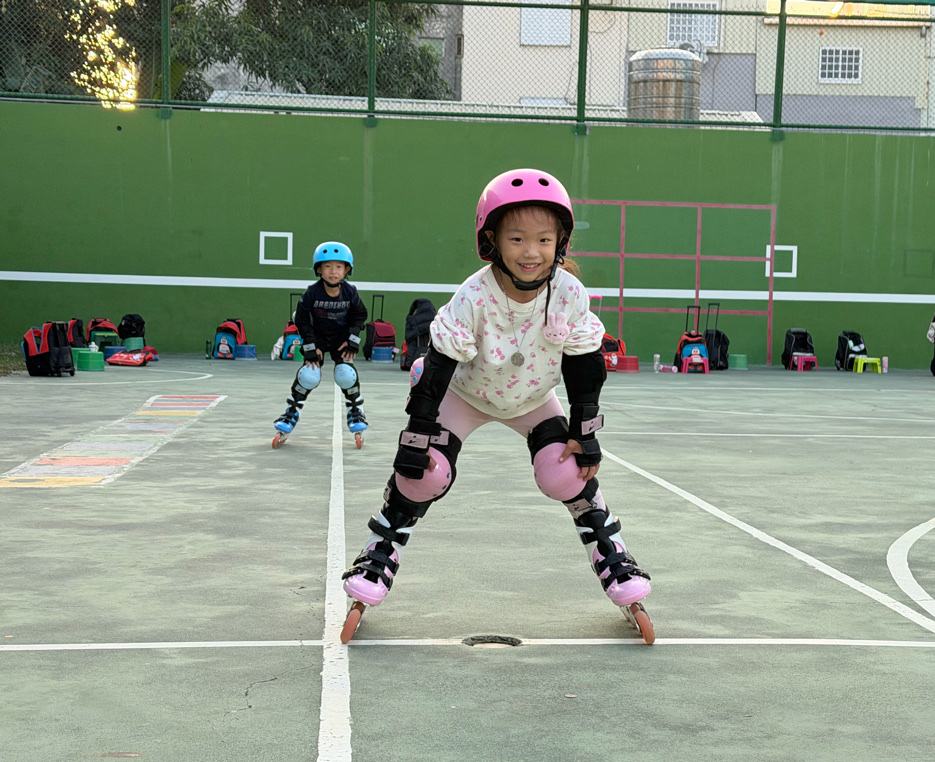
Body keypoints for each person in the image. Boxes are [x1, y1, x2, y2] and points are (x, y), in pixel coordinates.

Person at [341, 169, 653, 639]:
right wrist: (417, 433)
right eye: (517, 238)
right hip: (465, 394)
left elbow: (584, 364)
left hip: (532, 398)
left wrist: (584, 431)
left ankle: (612, 553)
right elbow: (439, 365)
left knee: (566, 472)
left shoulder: (569, 294)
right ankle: (380, 549)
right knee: (424, 472)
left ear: (561, 242)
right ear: (492, 241)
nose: (531, 251)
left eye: (544, 239)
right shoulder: (474, 295)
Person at [272, 241, 369, 446]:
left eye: (339, 266)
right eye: (327, 266)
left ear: (347, 270)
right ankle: (291, 411)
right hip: (317, 338)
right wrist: (309, 344)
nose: (333, 271)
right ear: (319, 270)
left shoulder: (350, 292)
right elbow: (301, 319)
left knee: (346, 374)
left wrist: (352, 338)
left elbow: (360, 314)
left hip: (341, 338)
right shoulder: (312, 293)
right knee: (309, 375)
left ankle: (356, 410)